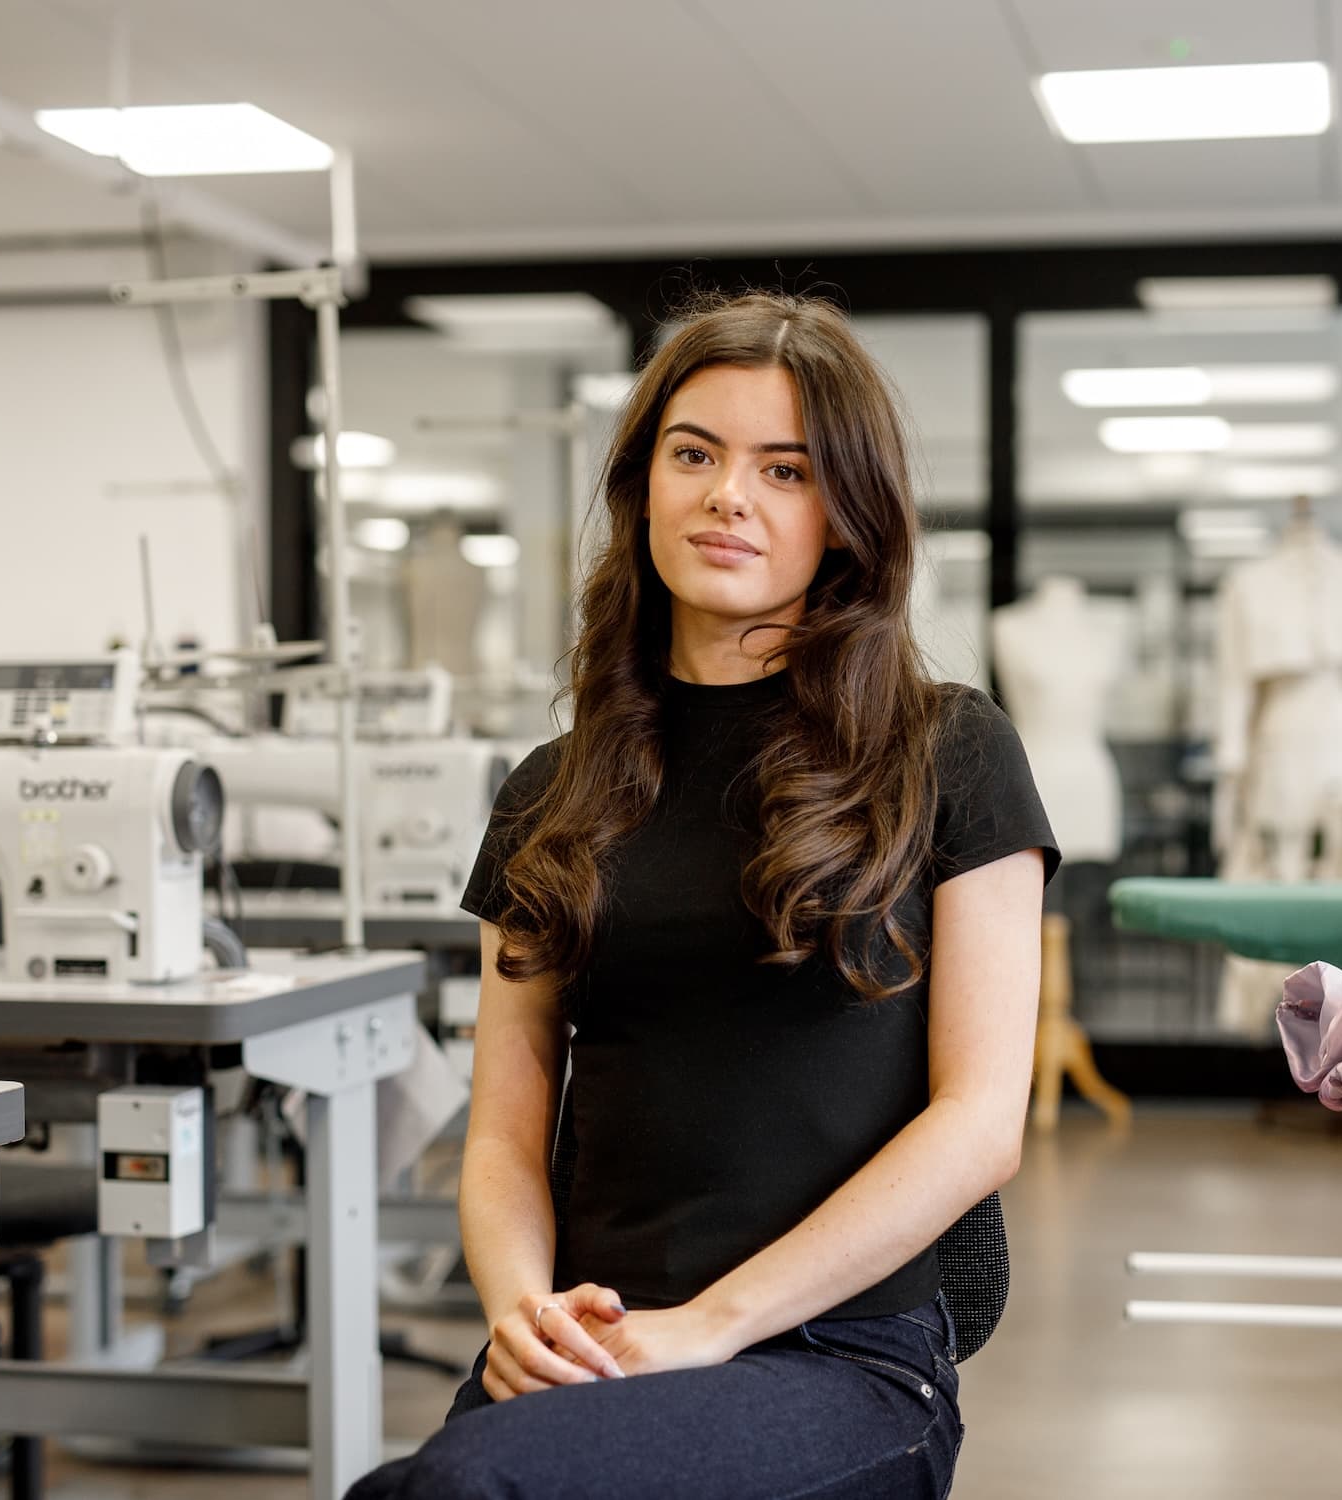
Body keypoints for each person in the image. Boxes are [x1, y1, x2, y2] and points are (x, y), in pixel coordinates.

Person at [346, 292, 1057, 1500]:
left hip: (838, 1353)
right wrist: (526, 1316)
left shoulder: (948, 753)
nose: (729, 494)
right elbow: (508, 1134)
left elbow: (980, 1124)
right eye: (695, 454)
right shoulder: (548, 792)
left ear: (843, 518)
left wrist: (711, 1324)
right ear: (643, 486)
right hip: (595, 1337)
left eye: (784, 469)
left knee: (469, 1492)